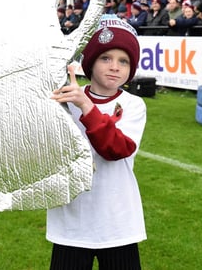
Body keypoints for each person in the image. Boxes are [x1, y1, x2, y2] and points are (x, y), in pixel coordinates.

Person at [48, 19, 147, 270]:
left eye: (123, 61)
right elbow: (24, 127)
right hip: (71, 220)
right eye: (105, 58)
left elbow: (116, 149)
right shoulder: (65, 98)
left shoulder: (134, 105)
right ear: (90, 62)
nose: (115, 67)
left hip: (118, 221)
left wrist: (86, 106)